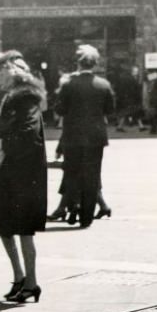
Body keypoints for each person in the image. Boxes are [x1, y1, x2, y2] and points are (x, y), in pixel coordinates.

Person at [0, 51, 48, 303]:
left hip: (19, 177)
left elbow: (29, 134)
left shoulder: (25, 99)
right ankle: (20, 277)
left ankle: (31, 282)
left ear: (10, 72)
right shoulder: (12, 97)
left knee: (23, 230)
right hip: (7, 176)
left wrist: (1, 145)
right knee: (5, 227)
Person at [52, 44, 114, 228]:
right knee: (92, 175)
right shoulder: (103, 85)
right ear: (95, 64)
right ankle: (86, 217)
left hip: (73, 136)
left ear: (78, 63)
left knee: (72, 173)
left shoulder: (68, 84)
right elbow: (110, 109)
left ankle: (72, 207)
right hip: (96, 136)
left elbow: (60, 109)